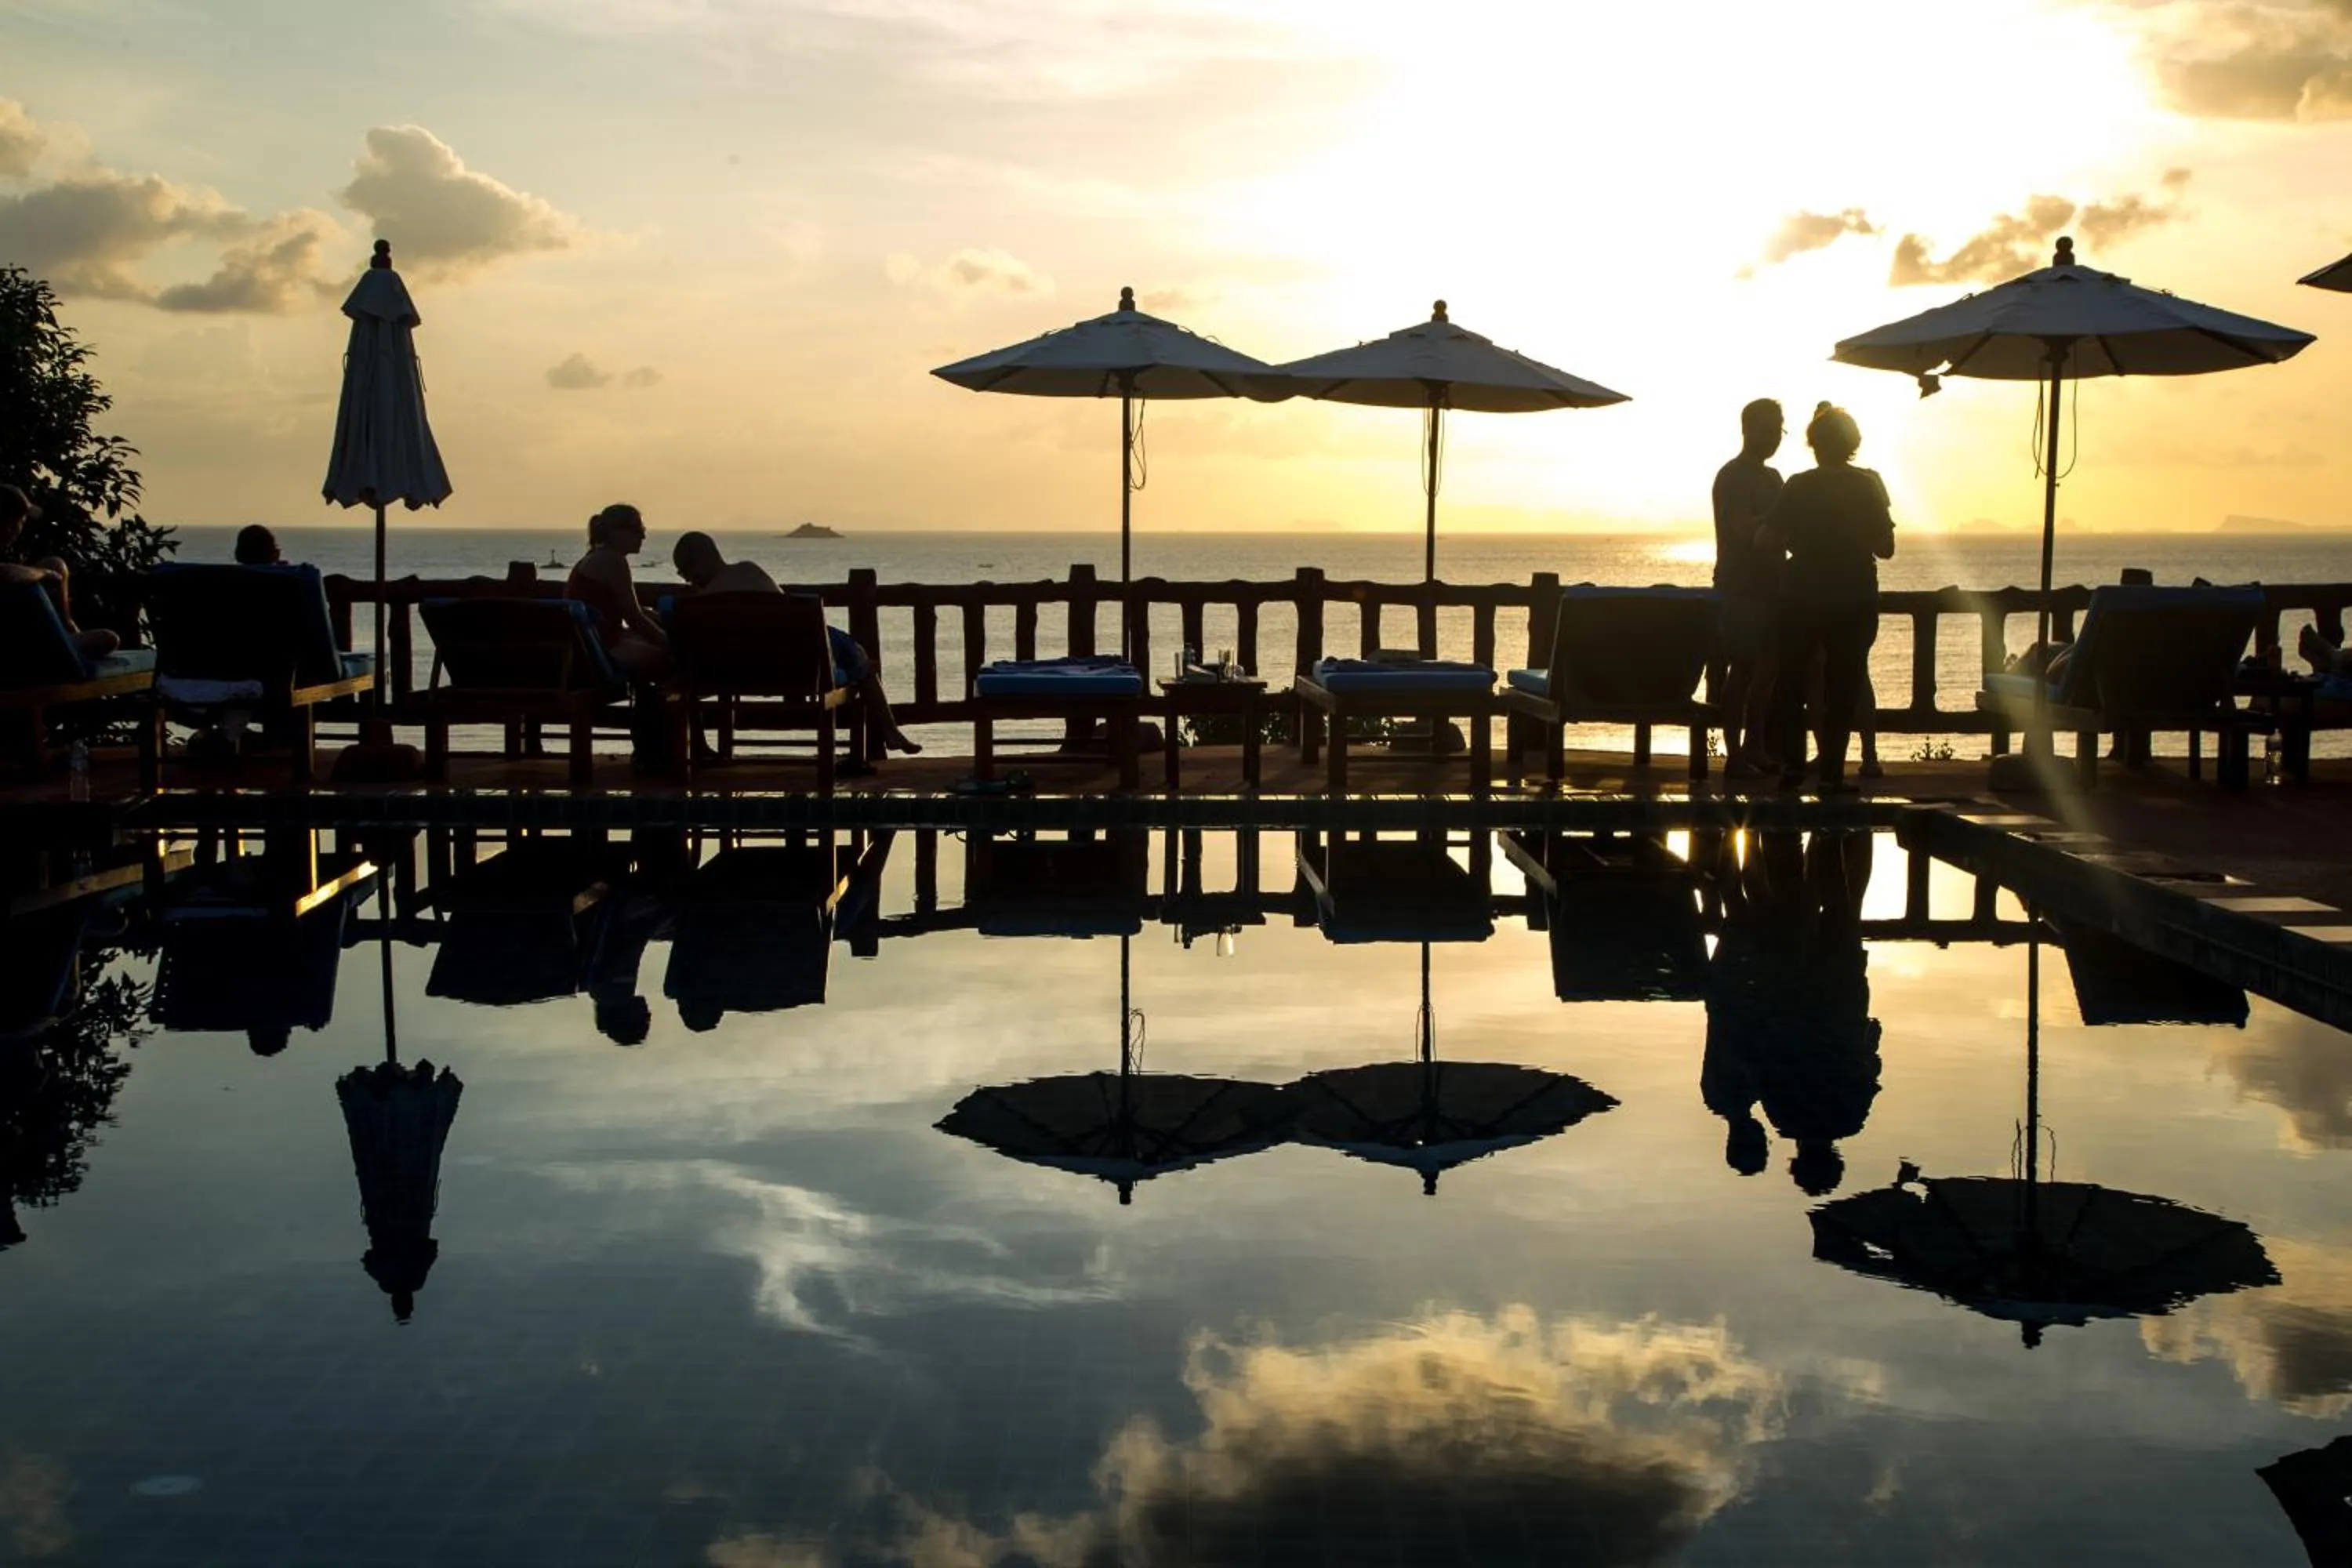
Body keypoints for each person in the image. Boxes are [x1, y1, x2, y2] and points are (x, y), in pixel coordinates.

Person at [670, 530, 920, 759]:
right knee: (859, 658)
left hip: (739, 675)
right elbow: (786, 614)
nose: (686, 580)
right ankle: (890, 730)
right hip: (801, 669)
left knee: (674, 687)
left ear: (699, 562)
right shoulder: (748, 571)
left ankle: (696, 750)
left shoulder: (699, 603)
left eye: (684, 571)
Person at [1759, 405, 1896, 793]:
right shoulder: (1868, 485)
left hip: (1802, 594)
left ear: (1814, 444)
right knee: (1844, 684)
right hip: (1854, 595)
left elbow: (1767, 538)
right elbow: (1885, 547)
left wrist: (1791, 540)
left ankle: (1792, 768)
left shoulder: (1798, 486)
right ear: (1852, 445)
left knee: (1792, 682)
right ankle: (1833, 774)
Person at [1711, 399, 1785, 778]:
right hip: (1740, 586)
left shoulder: (1774, 478)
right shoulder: (1732, 476)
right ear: (1748, 429)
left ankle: (1755, 744)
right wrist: (1779, 520)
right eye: (1769, 430)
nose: (1775, 438)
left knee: (1768, 669)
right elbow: (1741, 528)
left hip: (1773, 586)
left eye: (1779, 431)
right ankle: (1734, 753)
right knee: (1740, 670)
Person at [0, 483, 118, 661]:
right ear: (10, 526)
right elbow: (6, 574)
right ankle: (66, 643)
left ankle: (68, 630)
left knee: (56, 564)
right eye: (22, 522)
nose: (22, 529)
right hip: (18, 645)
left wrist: (48, 572)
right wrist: (44, 574)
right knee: (108, 638)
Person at [565, 504, 670, 681]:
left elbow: (628, 608)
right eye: (638, 529)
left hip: (588, 645)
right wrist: (670, 642)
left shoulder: (595, 556)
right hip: (601, 650)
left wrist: (654, 618)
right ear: (617, 532)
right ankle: (658, 707)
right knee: (671, 657)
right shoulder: (613, 561)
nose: (643, 535)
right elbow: (634, 618)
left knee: (656, 646)